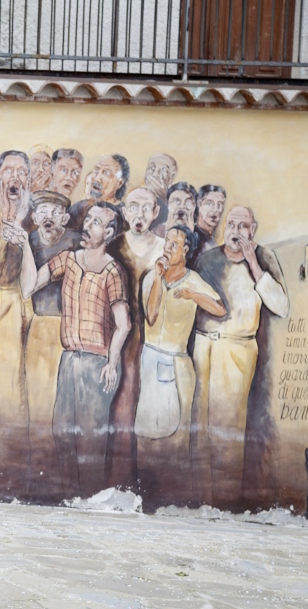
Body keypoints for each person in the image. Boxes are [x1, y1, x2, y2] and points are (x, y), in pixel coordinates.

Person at [15, 201, 130, 498]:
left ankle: (90, 501)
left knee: (91, 440)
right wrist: (27, 245)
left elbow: (124, 324)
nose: (88, 226)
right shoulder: (68, 260)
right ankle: (70, 499)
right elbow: (28, 287)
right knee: (63, 432)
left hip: (96, 363)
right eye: (88, 219)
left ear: (109, 232)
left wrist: (111, 362)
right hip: (69, 360)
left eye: (96, 222)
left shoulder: (112, 271)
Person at [191, 206, 289, 507]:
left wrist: (254, 266)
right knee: (198, 431)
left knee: (227, 433)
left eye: (242, 225)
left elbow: (281, 306)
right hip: (203, 346)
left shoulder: (263, 258)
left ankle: (225, 503)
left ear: (253, 229)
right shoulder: (207, 260)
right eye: (230, 224)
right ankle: (199, 503)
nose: (235, 231)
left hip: (237, 350)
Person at [134, 226, 224, 506]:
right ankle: (147, 493)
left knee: (176, 433)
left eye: (176, 244)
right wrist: (160, 280)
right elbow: (150, 316)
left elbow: (220, 308)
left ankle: (173, 496)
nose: (169, 248)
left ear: (187, 250)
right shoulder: (152, 277)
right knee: (147, 429)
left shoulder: (193, 279)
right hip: (150, 360)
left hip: (176, 363)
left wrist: (192, 295)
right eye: (168, 242)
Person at [105, 187, 165, 486]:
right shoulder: (113, 247)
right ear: (124, 212)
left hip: (157, 339)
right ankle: (120, 479)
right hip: (121, 338)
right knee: (123, 405)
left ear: (155, 212)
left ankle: (153, 481)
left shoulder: (167, 248)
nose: (139, 214)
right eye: (133, 207)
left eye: (146, 207)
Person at [20, 191, 77, 495]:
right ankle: (39, 467)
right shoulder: (26, 241)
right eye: (42, 210)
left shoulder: (75, 242)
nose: (48, 216)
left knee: (66, 403)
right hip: (41, 325)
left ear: (65, 219)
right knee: (39, 399)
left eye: (55, 211)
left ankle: (62, 471)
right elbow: (27, 287)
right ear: (34, 216)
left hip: (71, 329)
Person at [0, 151, 33, 438]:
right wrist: (8, 223)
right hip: (4, 296)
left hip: (32, 297)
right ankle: (6, 436)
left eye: (22, 171)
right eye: (9, 170)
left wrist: (23, 222)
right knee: (9, 366)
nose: (15, 177)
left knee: (34, 370)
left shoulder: (37, 211)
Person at [67, 154, 129, 232]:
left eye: (106, 173)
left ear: (119, 183)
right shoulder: (79, 208)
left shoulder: (124, 216)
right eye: (96, 171)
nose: (97, 178)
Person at [143, 153, 177, 236]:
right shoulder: (134, 196)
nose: (155, 174)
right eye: (151, 168)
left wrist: (163, 197)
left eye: (164, 170)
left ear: (172, 177)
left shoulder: (175, 200)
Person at [193, 184, 227, 258]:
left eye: (220, 204)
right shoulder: (192, 239)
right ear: (199, 204)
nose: (215, 209)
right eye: (209, 203)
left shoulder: (212, 239)